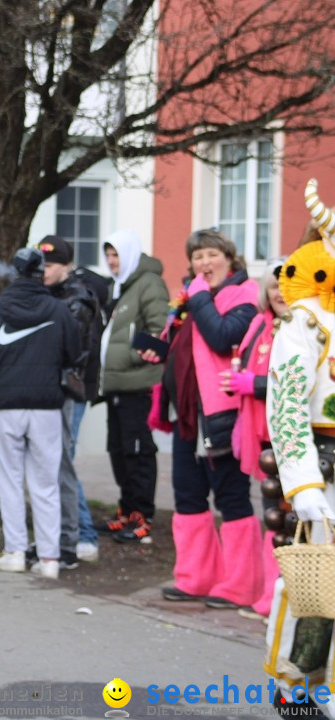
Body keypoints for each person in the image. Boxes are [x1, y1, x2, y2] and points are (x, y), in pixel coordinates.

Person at [151, 228, 261, 609]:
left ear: (229, 258)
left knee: (231, 496)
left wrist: (197, 299)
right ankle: (196, 577)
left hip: (223, 415)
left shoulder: (244, 295)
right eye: (197, 257)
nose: (203, 263)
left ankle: (240, 585)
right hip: (187, 413)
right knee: (188, 494)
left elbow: (222, 336)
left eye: (211, 255)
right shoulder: (195, 298)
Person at [264, 184, 335, 712]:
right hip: (325, 467)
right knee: (314, 583)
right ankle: (298, 686)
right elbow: (286, 403)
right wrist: (304, 482)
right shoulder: (306, 319)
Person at [0, 246, 81, 580]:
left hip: (5, 405)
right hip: (47, 404)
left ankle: (16, 552)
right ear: (40, 272)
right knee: (45, 482)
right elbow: (74, 353)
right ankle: (49, 558)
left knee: (10, 478)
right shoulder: (58, 309)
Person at [221, 259, 286, 619]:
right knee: (272, 513)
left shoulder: (301, 328)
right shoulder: (260, 325)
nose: (279, 293)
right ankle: (269, 593)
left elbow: (297, 381)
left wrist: (256, 386)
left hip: (289, 433)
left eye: (285, 286)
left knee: (287, 517)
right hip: (261, 432)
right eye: (273, 286)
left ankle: (281, 597)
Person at [98, 230, 170, 543]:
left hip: (138, 385)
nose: (112, 262)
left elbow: (158, 333)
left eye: (116, 255)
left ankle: (143, 515)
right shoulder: (122, 285)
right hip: (116, 383)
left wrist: (124, 357)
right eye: (109, 256)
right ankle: (126, 510)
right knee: (119, 450)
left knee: (138, 451)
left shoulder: (148, 284)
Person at [38, 235, 100, 567]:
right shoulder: (53, 294)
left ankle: (82, 535)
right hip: (53, 389)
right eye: (42, 264)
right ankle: (61, 534)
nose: (44, 271)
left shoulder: (77, 299)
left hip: (70, 390)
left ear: (66, 266)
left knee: (62, 460)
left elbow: (70, 347)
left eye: (51, 265)